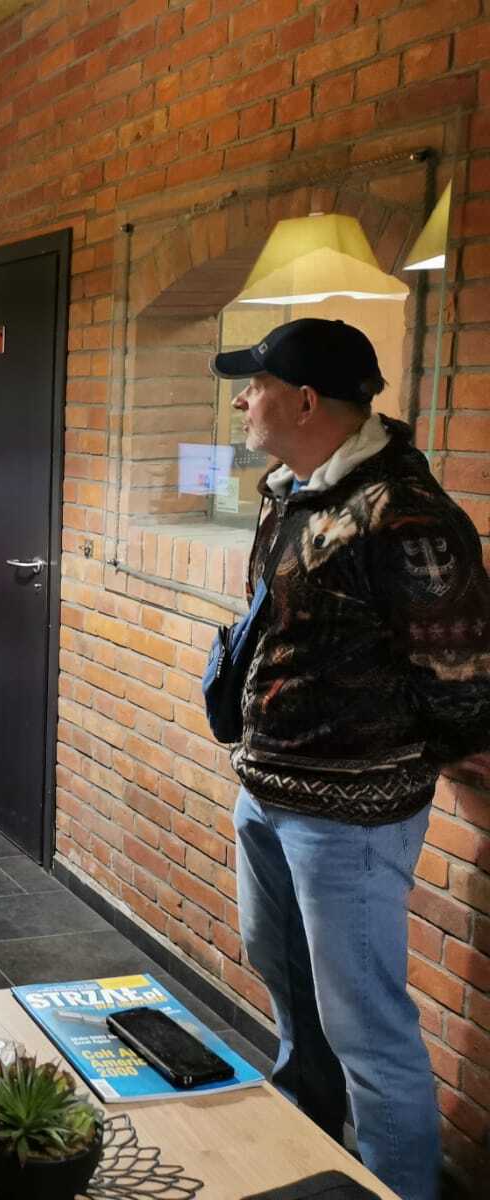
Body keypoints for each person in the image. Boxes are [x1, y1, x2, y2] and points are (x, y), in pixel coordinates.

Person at [213, 318, 490, 1200]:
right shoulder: (291, 492)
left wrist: (399, 758)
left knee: (367, 1031)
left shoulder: (406, 516)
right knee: (293, 998)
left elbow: (462, 678)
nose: (242, 401)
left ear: (304, 401)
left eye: (255, 385)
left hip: (352, 822)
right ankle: (311, 1160)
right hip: (269, 792)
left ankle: (396, 1189)